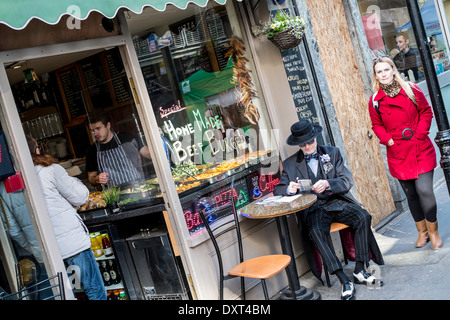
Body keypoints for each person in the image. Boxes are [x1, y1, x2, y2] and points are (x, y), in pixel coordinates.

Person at [273, 120, 384, 300]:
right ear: (298, 144)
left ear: (316, 137)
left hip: (336, 202)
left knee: (363, 216)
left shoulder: (332, 153)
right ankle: (343, 280)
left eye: (311, 141)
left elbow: (346, 181)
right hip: (313, 209)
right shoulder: (290, 164)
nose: (308, 146)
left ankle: (359, 270)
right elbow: (278, 189)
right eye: (303, 144)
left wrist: (328, 183)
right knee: (315, 232)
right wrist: (288, 189)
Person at [369, 56, 442, 250]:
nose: (383, 74)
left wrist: (420, 134)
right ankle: (422, 232)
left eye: (386, 70)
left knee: (424, 190)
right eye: (379, 72)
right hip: (398, 151)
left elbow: (426, 111)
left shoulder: (411, 89)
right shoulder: (375, 100)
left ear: (393, 70)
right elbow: (376, 124)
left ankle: (433, 231)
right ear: (375, 76)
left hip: (419, 147)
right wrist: (388, 139)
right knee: (411, 194)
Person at [26, 135, 107, 300]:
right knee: (94, 291)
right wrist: (73, 180)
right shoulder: (50, 170)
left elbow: (14, 228)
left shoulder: (14, 183)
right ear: (37, 150)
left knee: (72, 293)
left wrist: (32, 245)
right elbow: (80, 197)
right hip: (73, 248)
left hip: (48, 253)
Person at [86, 110, 152, 187]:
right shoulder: (92, 151)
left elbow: (148, 153)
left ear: (108, 125)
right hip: (115, 196)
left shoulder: (127, 138)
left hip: (138, 188)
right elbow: (91, 179)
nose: (95, 133)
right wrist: (97, 178)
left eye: (98, 128)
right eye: (92, 130)